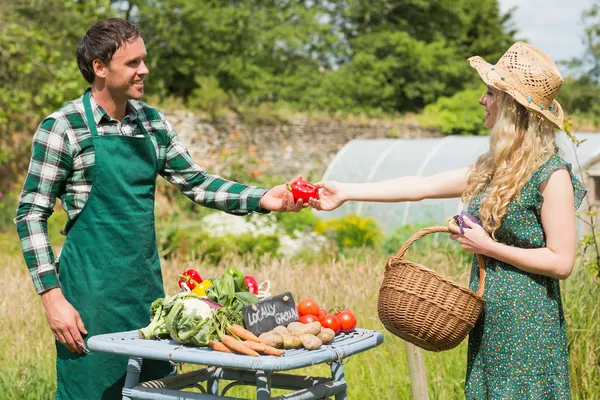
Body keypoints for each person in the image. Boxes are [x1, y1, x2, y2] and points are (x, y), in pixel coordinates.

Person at [15, 18, 306, 400]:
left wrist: (262, 197)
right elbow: (30, 213)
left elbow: (197, 182)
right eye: (133, 62)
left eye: (144, 60)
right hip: (89, 299)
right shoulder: (63, 127)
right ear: (99, 68)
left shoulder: (151, 122)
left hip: (147, 298)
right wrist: (53, 298)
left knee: (154, 393)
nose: (145, 70)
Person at [310, 42, 586, 399]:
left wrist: (489, 247)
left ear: (512, 108)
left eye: (489, 93)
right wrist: (346, 191)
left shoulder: (552, 175)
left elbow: (561, 262)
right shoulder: (494, 167)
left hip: (528, 323)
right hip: (489, 316)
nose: (481, 100)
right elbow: (420, 186)